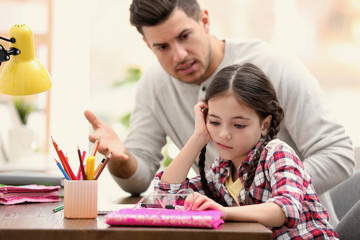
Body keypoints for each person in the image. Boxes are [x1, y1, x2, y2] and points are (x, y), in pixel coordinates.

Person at [84, 0, 354, 226]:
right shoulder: (218, 171)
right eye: (162, 47)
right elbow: (149, 184)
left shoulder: (275, 65)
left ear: (204, 21)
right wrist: (119, 156)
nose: (179, 55)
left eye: (184, 36)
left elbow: (339, 155)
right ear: (147, 46)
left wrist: (260, 188)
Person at [154, 63, 338, 239]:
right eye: (215, 122)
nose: (224, 134)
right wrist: (199, 137)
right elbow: (166, 195)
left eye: (239, 125)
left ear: (264, 125)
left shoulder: (277, 153)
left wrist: (225, 212)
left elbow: (285, 209)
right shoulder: (222, 169)